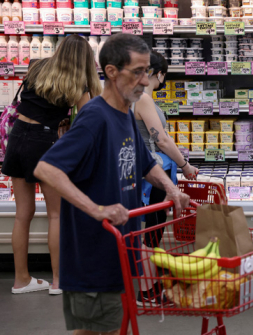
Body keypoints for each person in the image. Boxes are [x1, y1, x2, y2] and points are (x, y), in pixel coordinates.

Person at [34, 34, 190, 334]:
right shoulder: (95, 117)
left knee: (111, 327)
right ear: (111, 71)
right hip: (93, 254)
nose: (145, 80)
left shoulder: (125, 115)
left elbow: (146, 164)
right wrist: (97, 209)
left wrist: (172, 189)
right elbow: (47, 168)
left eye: (147, 71)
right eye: (138, 72)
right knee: (96, 330)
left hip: (120, 249)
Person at [2, 34, 102, 295]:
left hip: (18, 136)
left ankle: (21, 280)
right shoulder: (78, 81)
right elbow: (89, 119)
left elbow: (29, 103)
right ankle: (58, 281)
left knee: (23, 214)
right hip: (45, 142)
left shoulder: (37, 66)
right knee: (56, 214)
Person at [133, 50, 198, 305]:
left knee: (148, 231)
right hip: (153, 174)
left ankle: (150, 284)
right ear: (158, 73)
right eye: (163, 76)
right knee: (152, 232)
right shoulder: (144, 98)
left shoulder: (129, 96)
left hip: (143, 172)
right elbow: (160, 139)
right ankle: (148, 292)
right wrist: (185, 165)